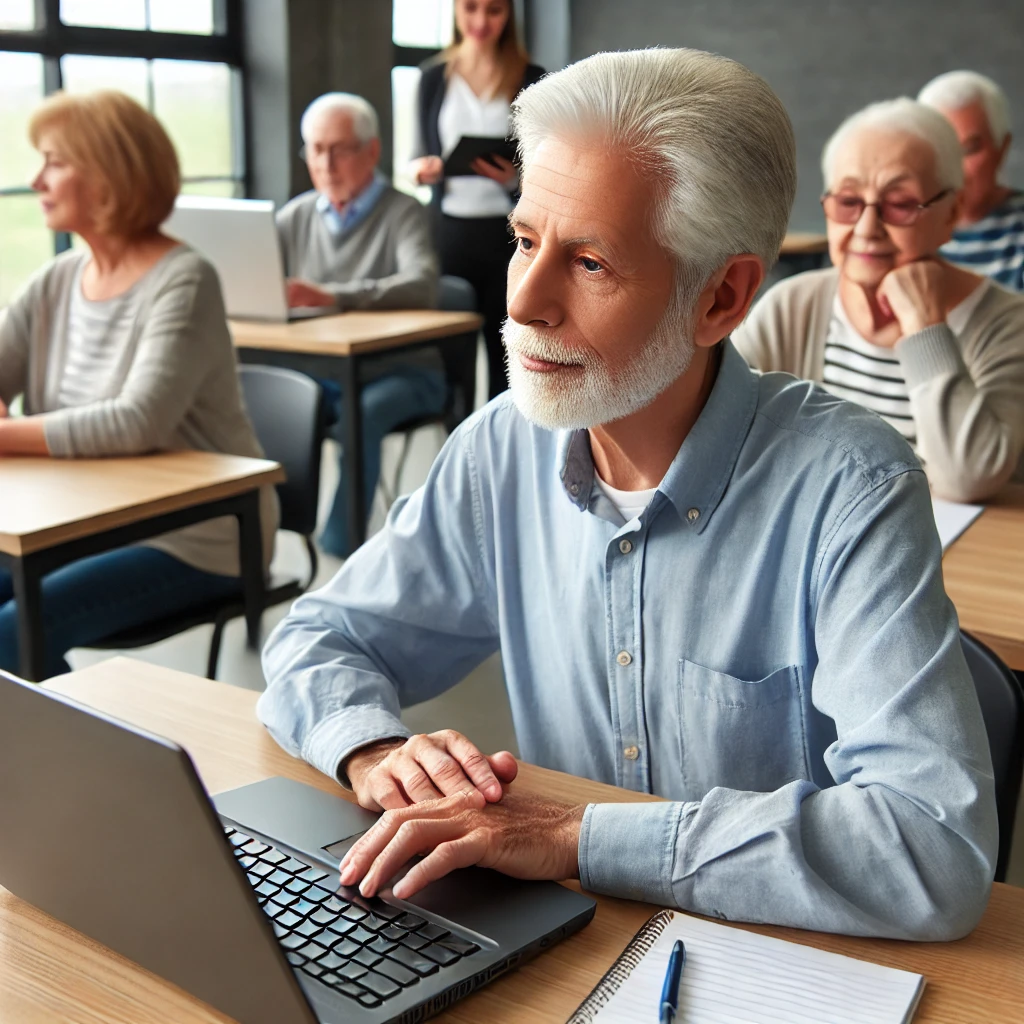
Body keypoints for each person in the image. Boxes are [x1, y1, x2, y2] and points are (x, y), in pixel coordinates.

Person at [258, 50, 996, 941]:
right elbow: (316, 635)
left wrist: (576, 836)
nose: (524, 301)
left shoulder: (852, 490)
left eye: (592, 262)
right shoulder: (502, 448)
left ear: (721, 298)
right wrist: (376, 752)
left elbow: (932, 846)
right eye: (525, 242)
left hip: (783, 959)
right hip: (567, 946)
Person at [0, 89, 278, 679]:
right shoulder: (55, 280)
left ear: (106, 174)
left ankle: (67, 765)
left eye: (54, 161)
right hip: (85, 515)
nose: (36, 178)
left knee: (10, 631)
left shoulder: (184, 278)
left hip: (198, 535)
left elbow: (134, 420)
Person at [735, 98, 1024, 503]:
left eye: (900, 204)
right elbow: (716, 427)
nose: (867, 228)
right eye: (848, 203)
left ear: (951, 212)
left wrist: (926, 328)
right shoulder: (791, 306)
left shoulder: (1008, 324)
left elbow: (968, 481)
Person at [276, 92, 444, 558]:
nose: (326, 162)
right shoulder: (294, 217)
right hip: (325, 371)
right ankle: (268, 538)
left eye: (340, 148)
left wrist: (334, 297)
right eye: (315, 149)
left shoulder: (403, 212)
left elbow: (423, 285)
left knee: (361, 413)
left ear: (372, 151)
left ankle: (338, 553)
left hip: (405, 372)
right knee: (270, 401)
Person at [409, 0, 544, 400]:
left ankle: (506, 445)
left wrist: (515, 179)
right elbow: (416, 155)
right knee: (454, 354)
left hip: (510, 234)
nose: (481, 21)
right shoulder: (433, 78)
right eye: (471, 9)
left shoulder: (532, 77)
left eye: (495, 11)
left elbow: (547, 161)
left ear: (510, 17)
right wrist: (423, 169)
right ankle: (459, 446)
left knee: (507, 350)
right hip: (450, 230)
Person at [919, 71, 1024, 292]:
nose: (953, 167)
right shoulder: (903, 229)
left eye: (969, 150)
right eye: (940, 149)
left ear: (1002, 148)